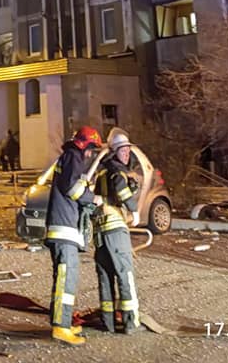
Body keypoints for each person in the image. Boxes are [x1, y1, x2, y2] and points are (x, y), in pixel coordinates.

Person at [44, 125, 104, 346]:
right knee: (65, 279)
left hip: (63, 228)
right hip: (64, 229)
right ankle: (61, 327)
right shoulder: (73, 157)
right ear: (85, 146)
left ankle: (63, 322)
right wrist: (92, 198)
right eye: (91, 150)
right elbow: (72, 188)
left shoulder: (69, 158)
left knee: (64, 278)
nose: (90, 155)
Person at [92, 130, 140, 335]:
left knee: (105, 277)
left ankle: (108, 322)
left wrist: (132, 188)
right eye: (123, 150)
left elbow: (103, 197)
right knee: (124, 273)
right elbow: (121, 191)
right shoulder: (117, 172)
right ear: (114, 152)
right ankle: (130, 322)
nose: (127, 153)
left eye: (128, 149)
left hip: (100, 232)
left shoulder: (101, 173)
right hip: (115, 229)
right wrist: (134, 210)